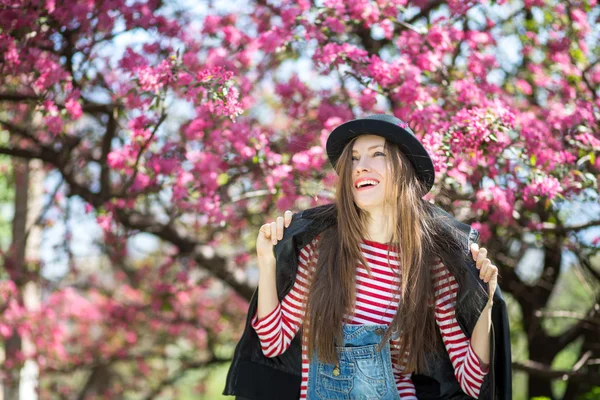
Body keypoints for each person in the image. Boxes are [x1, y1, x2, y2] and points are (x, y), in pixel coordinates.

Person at [223, 114, 512, 399]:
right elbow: (273, 342)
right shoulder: (321, 251)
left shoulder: (430, 266)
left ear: (405, 170)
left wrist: (484, 304)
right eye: (354, 158)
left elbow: (473, 381)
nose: (361, 167)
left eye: (377, 155)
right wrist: (267, 259)